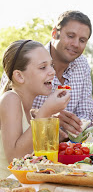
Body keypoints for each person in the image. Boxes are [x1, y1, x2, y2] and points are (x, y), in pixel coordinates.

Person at [0, 10, 93, 139]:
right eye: (71, 36)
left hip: (62, 146)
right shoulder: (26, 59)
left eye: (82, 40)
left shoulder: (82, 64)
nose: (76, 44)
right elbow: (6, 113)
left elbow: (87, 115)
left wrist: (71, 130)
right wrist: (48, 117)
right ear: (55, 33)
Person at [0, 40, 70, 179]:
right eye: (43, 67)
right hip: (7, 190)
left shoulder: (29, 111)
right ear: (19, 76)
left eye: (51, 65)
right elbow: (15, 160)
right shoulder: (10, 99)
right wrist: (46, 112)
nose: (52, 72)